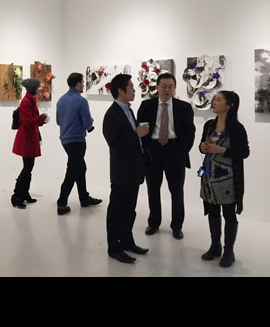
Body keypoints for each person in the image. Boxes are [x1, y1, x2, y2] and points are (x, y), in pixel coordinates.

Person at [137, 73, 195, 240]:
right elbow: (140, 127)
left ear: (175, 88)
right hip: (153, 150)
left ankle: (177, 225)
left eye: (171, 86)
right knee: (153, 189)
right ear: (157, 87)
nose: (167, 90)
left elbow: (190, 132)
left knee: (177, 191)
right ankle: (154, 222)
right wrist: (145, 148)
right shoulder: (146, 105)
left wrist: (182, 150)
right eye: (164, 86)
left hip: (175, 150)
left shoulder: (184, 107)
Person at [103, 74, 150, 263]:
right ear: (120, 91)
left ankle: (127, 241)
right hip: (122, 170)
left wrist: (139, 135)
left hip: (134, 168)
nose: (134, 90)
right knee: (117, 210)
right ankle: (114, 247)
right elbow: (115, 143)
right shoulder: (111, 115)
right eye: (131, 87)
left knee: (130, 209)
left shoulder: (128, 110)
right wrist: (136, 134)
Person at [199, 90, 249, 268]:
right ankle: (215, 245)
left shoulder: (236, 128)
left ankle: (229, 251)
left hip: (228, 180)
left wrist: (222, 150)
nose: (214, 102)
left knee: (229, 214)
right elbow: (202, 145)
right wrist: (203, 147)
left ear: (229, 106)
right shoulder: (209, 125)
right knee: (212, 212)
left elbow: (244, 152)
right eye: (215, 99)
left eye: (219, 100)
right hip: (209, 177)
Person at [56, 72, 102, 215]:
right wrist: (90, 125)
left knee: (80, 168)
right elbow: (87, 122)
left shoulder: (61, 100)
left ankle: (84, 198)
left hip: (65, 140)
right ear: (77, 84)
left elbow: (58, 121)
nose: (83, 85)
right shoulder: (81, 101)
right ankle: (62, 203)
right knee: (72, 171)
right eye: (82, 83)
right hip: (77, 140)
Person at [11, 78, 50, 208]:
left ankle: (24, 193)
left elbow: (31, 119)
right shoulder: (26, 101)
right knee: (27, 167)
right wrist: (41, 118)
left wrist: (41, 120)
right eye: (39, 86)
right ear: (33, 88)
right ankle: (17, 195)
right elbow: (27, 121)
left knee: (29, 167)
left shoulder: (31, 99)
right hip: (26, 138)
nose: (41, 88)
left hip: (30, 137)